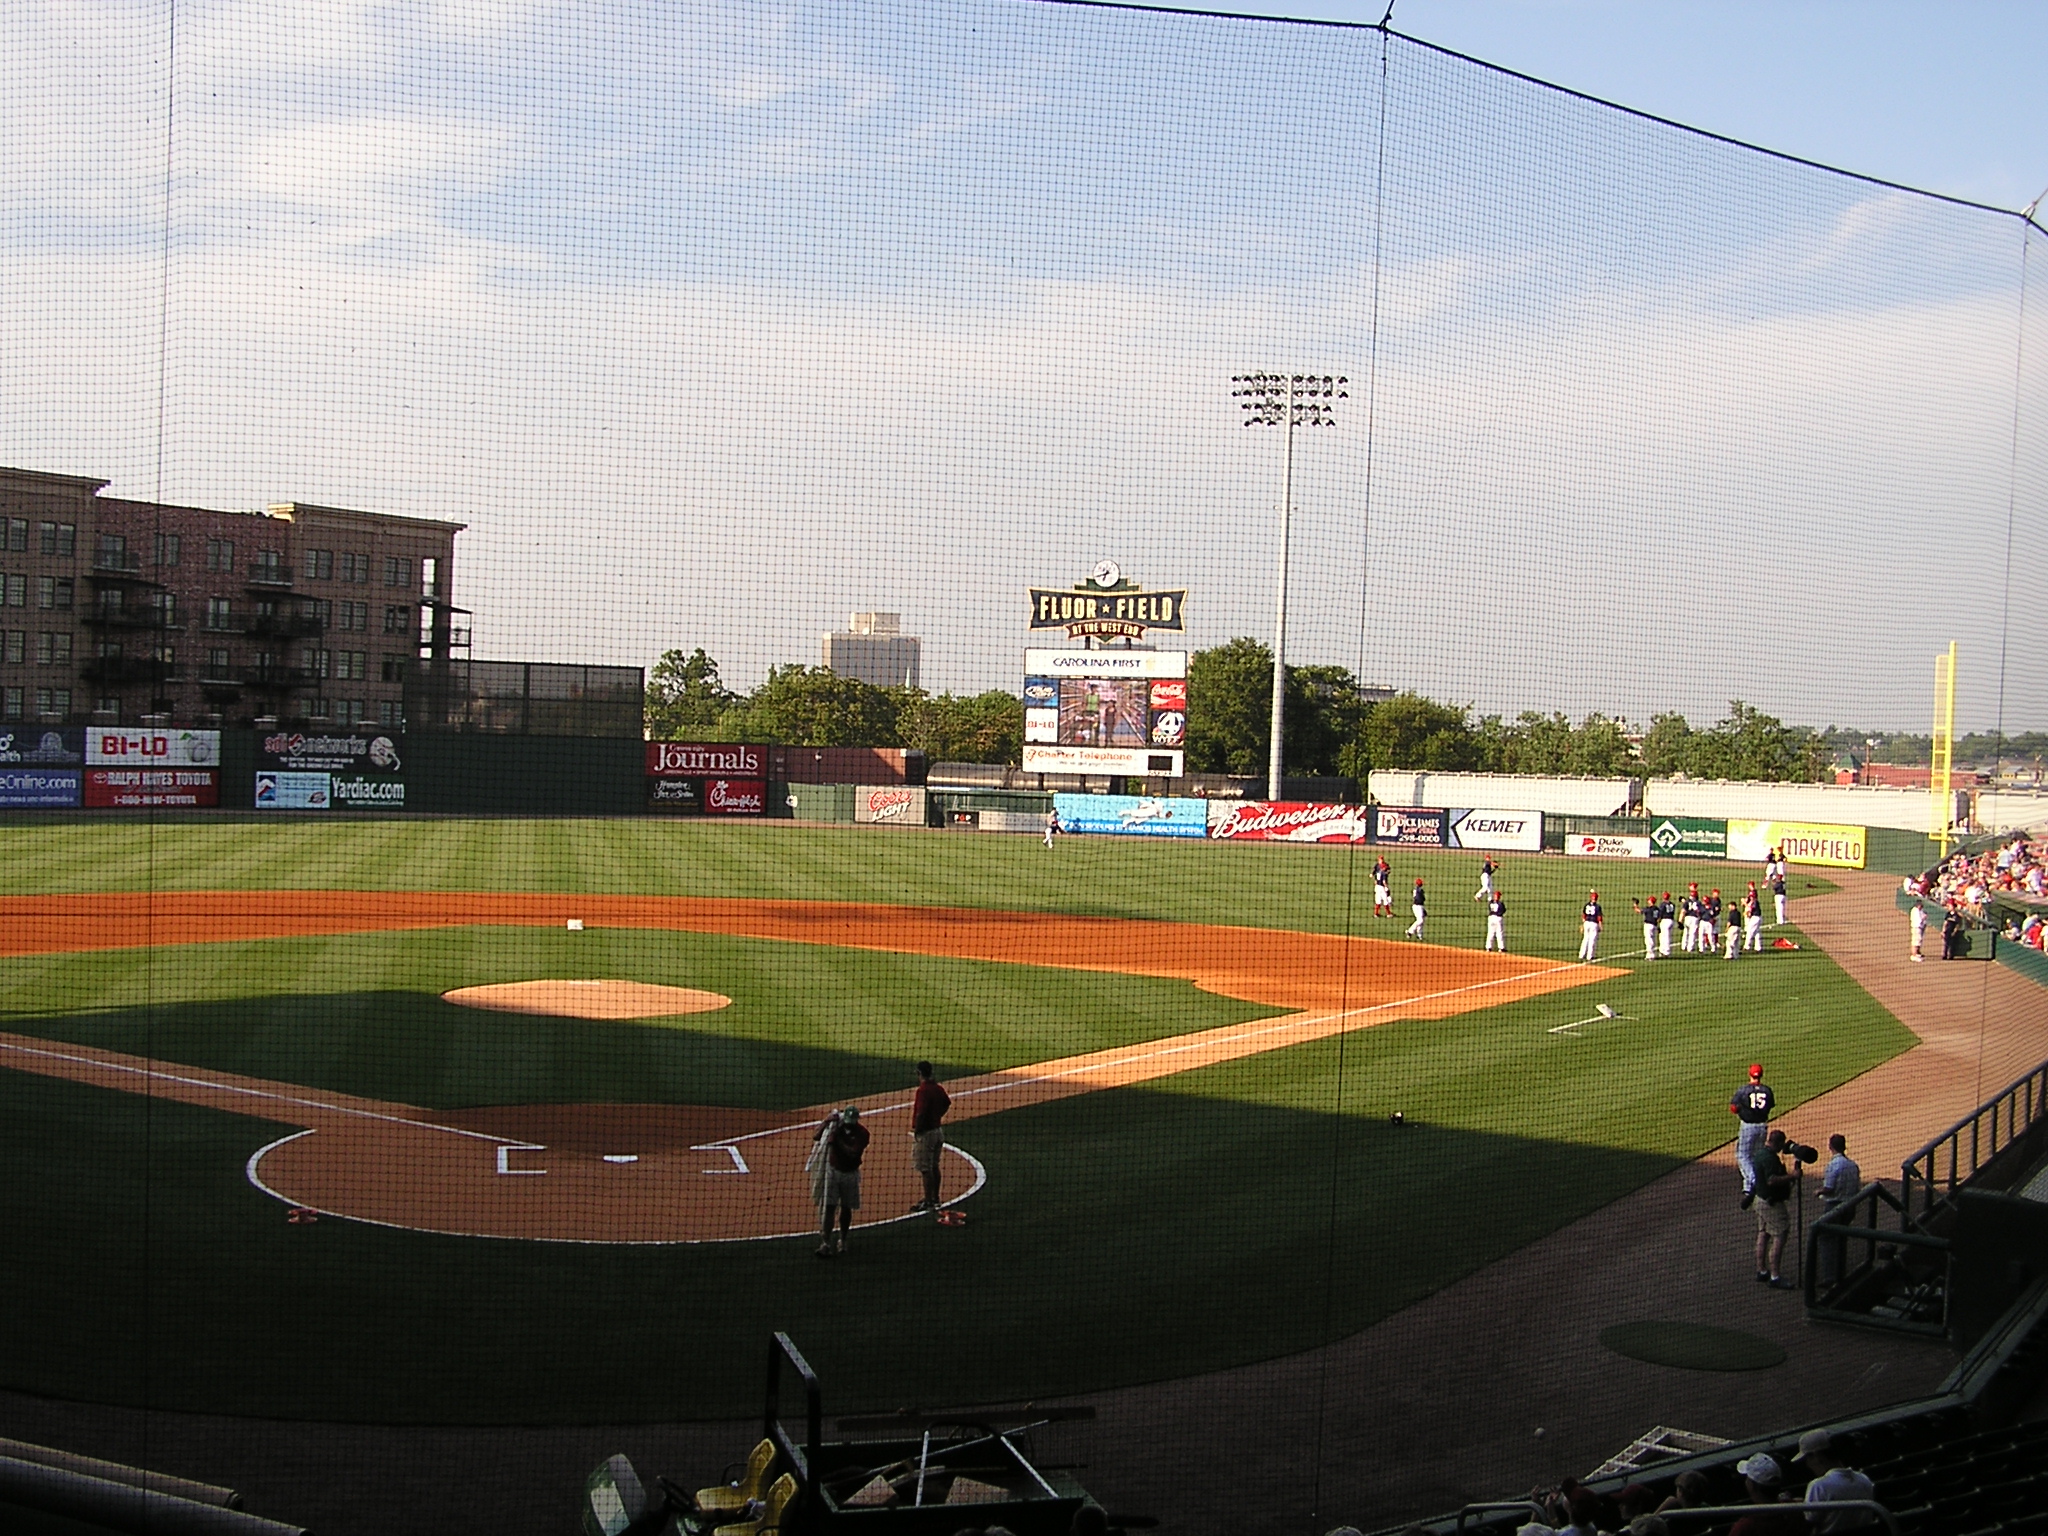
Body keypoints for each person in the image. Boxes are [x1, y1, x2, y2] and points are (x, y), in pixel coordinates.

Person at [813, 1106, 871, 1258]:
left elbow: (853, 1153)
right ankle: (825, 1243)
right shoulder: (836, 1127)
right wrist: (826, 1121)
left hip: (850, 1174)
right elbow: (816, 1136)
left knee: (846, 1208)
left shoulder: (863, 1134)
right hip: (833, 1172)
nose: (848, 1124)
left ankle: (843, 1240)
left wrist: (836, 1141)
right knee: (829, 1207)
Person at [1795, 1429, 1878, 1532]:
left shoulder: (1818, 1486)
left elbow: (1808, 1525)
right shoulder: (1864, 1480)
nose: (1807, 1465)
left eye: (1807, 1459)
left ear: (1817, 1456)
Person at [1753, 1128, 1800, 1288]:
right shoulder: (1770, 1159)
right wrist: (1792, 1176)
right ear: (1778, 1143)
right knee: (1780, 1234)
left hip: (1760, 1200)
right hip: (1771, 1204)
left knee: (1764, 1233)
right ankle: (1775, 1276)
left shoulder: (1760, 1154)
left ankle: (1761, 1270)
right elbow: (1772, 1180)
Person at [1816, 1134, 1861, 1287]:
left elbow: (1829, 1188)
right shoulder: (1853, 1165)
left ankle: (1830, 1277)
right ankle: (1840, 1273)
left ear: (1830, 1147)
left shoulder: (1833, 1165)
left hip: (1834, 1207)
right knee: (1841, 1238)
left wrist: (1818, 1191)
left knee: (1826, 1239)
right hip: (1849, 1207)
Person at [909, 1060, 951, 1213]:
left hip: (926, 1134)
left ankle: (928, 1201)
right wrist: (937, 1116)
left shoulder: (923, 1090)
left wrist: (918, 1129)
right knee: (934, 1166)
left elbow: (920, 1113)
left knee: (925, 1169)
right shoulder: (937, 1088)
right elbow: (947, 1103)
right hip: (937, 1131)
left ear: (919, 1073)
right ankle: (935, 1198)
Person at [1732, 1063, 1775, 1205]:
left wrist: (1741, 1110)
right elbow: (1770, 1106)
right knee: (1756, 1155)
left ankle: (1756, 1181)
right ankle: (1748, 1188)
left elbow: (1733, 1108)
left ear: (1749, 1074)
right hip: (1762, 1127)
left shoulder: (1744, 1090)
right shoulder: (1767, 1090)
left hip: (1748, 1127)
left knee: (1742, 1155)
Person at [1578, 890, 1603, 961]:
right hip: (1594, 924)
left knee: (1585, 939)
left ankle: (1581, 954)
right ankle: (1590, 956)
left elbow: (1583, 915)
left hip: (1586, 923)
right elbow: (1599, 917)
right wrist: (1600, 925)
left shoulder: (1586, 905)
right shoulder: (1598, 907)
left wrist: (1583, 924)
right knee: (1592, 940)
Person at [1631, 896, 1658, 961]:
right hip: (1654, 925)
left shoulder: (1649, 909)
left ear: (1651, 901)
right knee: (1652, 940)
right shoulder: (1657, 909)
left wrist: (1635, 904)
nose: (1648, 901)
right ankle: (1652, 954)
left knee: (1648, 940)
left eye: (1649, 900)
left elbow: (1638, 911)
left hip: (1648, 925)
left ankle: (1650, 956)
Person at [1682, 883, 1703, 954]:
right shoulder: (1698, 903)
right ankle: (1690, 948)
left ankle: (1683, 946)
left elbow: (1683, 911)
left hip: (1687, 918)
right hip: (1694, 918)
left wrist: (1680, 920)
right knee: (1692, 933)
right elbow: (1700, 911)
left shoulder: (1687, 901)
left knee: (1685, 932)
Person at [1744, 884, 1766, 952]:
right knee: (1757, 933)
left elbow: (1749, 912)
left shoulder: (1754, 902)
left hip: (1755, 918)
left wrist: (1744, 903)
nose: (1750, 898)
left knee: (1749, 932)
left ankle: (1747, 946)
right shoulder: (1755, 902)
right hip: (1758, 918)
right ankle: (1758, 947)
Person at [1658, 891, 1675, 957]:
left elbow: (1660, 914)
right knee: (1667, 936)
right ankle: (1663, 951)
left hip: (1665, 921)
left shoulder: (1663, 904)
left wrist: (1658, 922)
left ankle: (1666, 952)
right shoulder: (1672, 904)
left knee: (1664, 936)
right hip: (1671, 920)